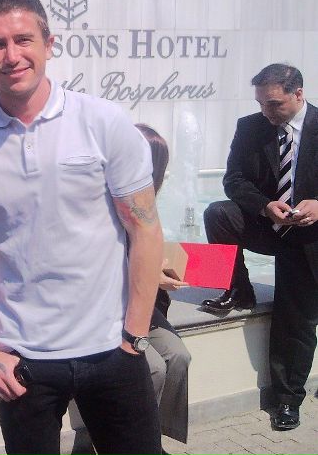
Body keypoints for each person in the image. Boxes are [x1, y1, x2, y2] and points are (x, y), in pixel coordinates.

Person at [0, 0, 163, 455]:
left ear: (49, 43)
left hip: (112, 350)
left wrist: (135, 338)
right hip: (22, 361)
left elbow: (144, 227)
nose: (11, 55)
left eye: (23, 39)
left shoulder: (103, 122)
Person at [202, 63, 318, 430]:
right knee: (217, 213)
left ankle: (287, 400)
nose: (266, 112)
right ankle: (238, 289)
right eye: (261, 104)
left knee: (296, 318)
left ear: (298, 94)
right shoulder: (250, 127)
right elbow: (233, 180)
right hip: (268, 223)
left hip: (309, 236)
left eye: (274, 104)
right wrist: (265, 205)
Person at [135, 123, 192, 447]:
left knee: (179, 357)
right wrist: (148, 275)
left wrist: (166, 266)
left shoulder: (146, 204)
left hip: (140, 303)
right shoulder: (99, 202)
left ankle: (152, 439)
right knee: (154, 368)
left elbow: (146, 251)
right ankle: (127, 442)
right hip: (105, 310)